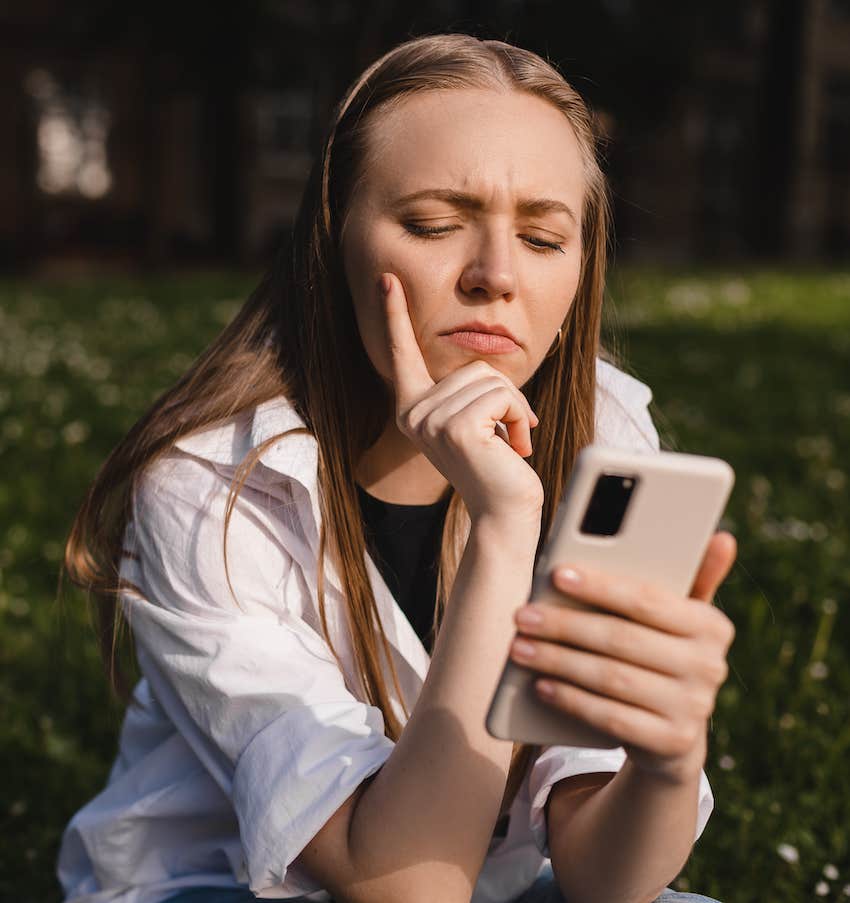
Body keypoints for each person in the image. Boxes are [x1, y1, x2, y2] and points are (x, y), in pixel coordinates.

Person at [57, 32, 737, 903]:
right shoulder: (210, 487)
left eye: (541, 237)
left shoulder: (609, 436)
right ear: (334, 236)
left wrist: (666, 757)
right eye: (433, 224)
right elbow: (406, 889)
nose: (495, 276)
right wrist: (504, 526)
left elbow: (607, 881)